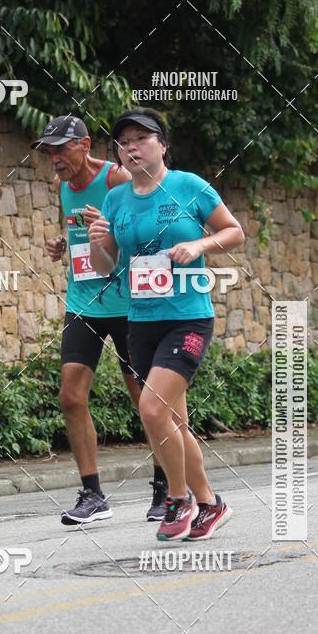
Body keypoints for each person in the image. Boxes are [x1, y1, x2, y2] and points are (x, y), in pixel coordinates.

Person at [88, 107, 245, 540]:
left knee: (152, 408)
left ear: (162, 145)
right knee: (172, 421)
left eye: (141, 138)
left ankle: (178, 499)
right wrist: (98, 242)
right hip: (141, 321)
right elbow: (106, 267)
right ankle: (212, 504)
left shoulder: (188, 186)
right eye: (124, 142)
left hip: (188, 318)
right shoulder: (116, 198)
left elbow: (234, 233)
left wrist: (198, 244)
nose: (131, 146)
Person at [31, 115, 170, 525]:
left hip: (129, 304)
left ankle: (165, 487)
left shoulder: (116, 178)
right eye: (49, 151)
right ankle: (93, 495)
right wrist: (64, 240)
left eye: (61, 149)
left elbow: (146, 228)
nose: (54, 158)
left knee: (146, 401)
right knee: (70, 396)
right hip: (84, 302)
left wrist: (107, 227)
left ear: (84, 144)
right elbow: (78, 231)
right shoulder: (63, 186)